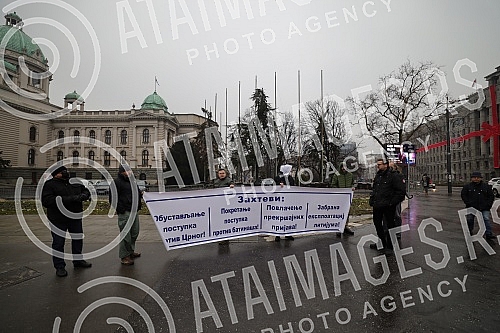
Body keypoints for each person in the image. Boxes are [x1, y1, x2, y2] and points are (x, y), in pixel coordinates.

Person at [41, 165, 92, 277]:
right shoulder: (49, 185)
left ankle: (78, 260)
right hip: (58, 219)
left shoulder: (74, 182)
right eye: (62, 172)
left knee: (78, 239)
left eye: (66, 171)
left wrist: (85, 195)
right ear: (56, 174)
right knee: (58, 243)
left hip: (75, 217)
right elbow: (47, 201)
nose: (65, 173)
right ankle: (60, 266)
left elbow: (85, 190)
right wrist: (71, 199)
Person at [369, 158, 406, 251]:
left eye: (379, 164)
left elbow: (400, 192)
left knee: (390, 225)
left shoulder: (394, 176)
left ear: (386, 165)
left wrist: (391, 203)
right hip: (377, 205)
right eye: (377, 164)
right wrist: (372, 199)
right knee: (377, 223)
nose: (378, 166)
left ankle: (389, 245)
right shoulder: (378, 176)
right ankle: (382, 242)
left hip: (388, 205)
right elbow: (375, 189)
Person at [110, 165, 143, 265]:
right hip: (125, 212)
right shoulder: (116, 183)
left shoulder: (132, 182)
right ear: (121, 172)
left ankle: (130, 251)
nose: (129, 173)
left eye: (130, 171)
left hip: (134, 211)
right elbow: (113, 198)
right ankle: (124, 256)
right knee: (126, 236)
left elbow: (136, 193)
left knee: (134, 233)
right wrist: (121, 209)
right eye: (127, 171)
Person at [460, 171, 495, 239]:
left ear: (480, 178)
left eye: (478, 177)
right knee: (470, 219)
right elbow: (463, 195)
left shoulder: (486, 186)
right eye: (474, 177)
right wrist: (468, 203)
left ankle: (488, 233)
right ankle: (469, 231)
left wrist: (488, 205)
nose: (476, 179)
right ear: (471, 178)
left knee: (486, 219)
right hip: (471, 207)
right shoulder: (467, 186)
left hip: (484, 207)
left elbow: (491, 196)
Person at [330, 163, 355, 236]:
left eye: (345, 167)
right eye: (342, 167)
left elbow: (353, 183)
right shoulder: (337, 175)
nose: (344, 169)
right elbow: (333, 185)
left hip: (347, 197)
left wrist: (353, 187)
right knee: (339, 212)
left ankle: (345, 226)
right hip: (339, 197)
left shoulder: (350, 175)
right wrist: (339, 191)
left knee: (347, 211)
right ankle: (339, 227)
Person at [274, 165, 295, 242]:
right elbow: (274, 186)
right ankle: (277, 235)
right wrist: (279, 185)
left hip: (288, 200)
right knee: (279, 217)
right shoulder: (278, 177)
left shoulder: (290, 178)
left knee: (288, 217)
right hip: (279, 201)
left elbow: (293, 186)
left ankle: (288, 234)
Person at [213, 168, 234, 245]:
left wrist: (232, 186)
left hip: (226, 205)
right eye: (220, 173)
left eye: (223, 173)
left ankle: (225, 238)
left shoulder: (229, 181)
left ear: (226, 174)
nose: (221, 174)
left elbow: (232, 185)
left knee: (225, 221)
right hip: (217, 204)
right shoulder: (216, 181)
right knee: (219, 221)